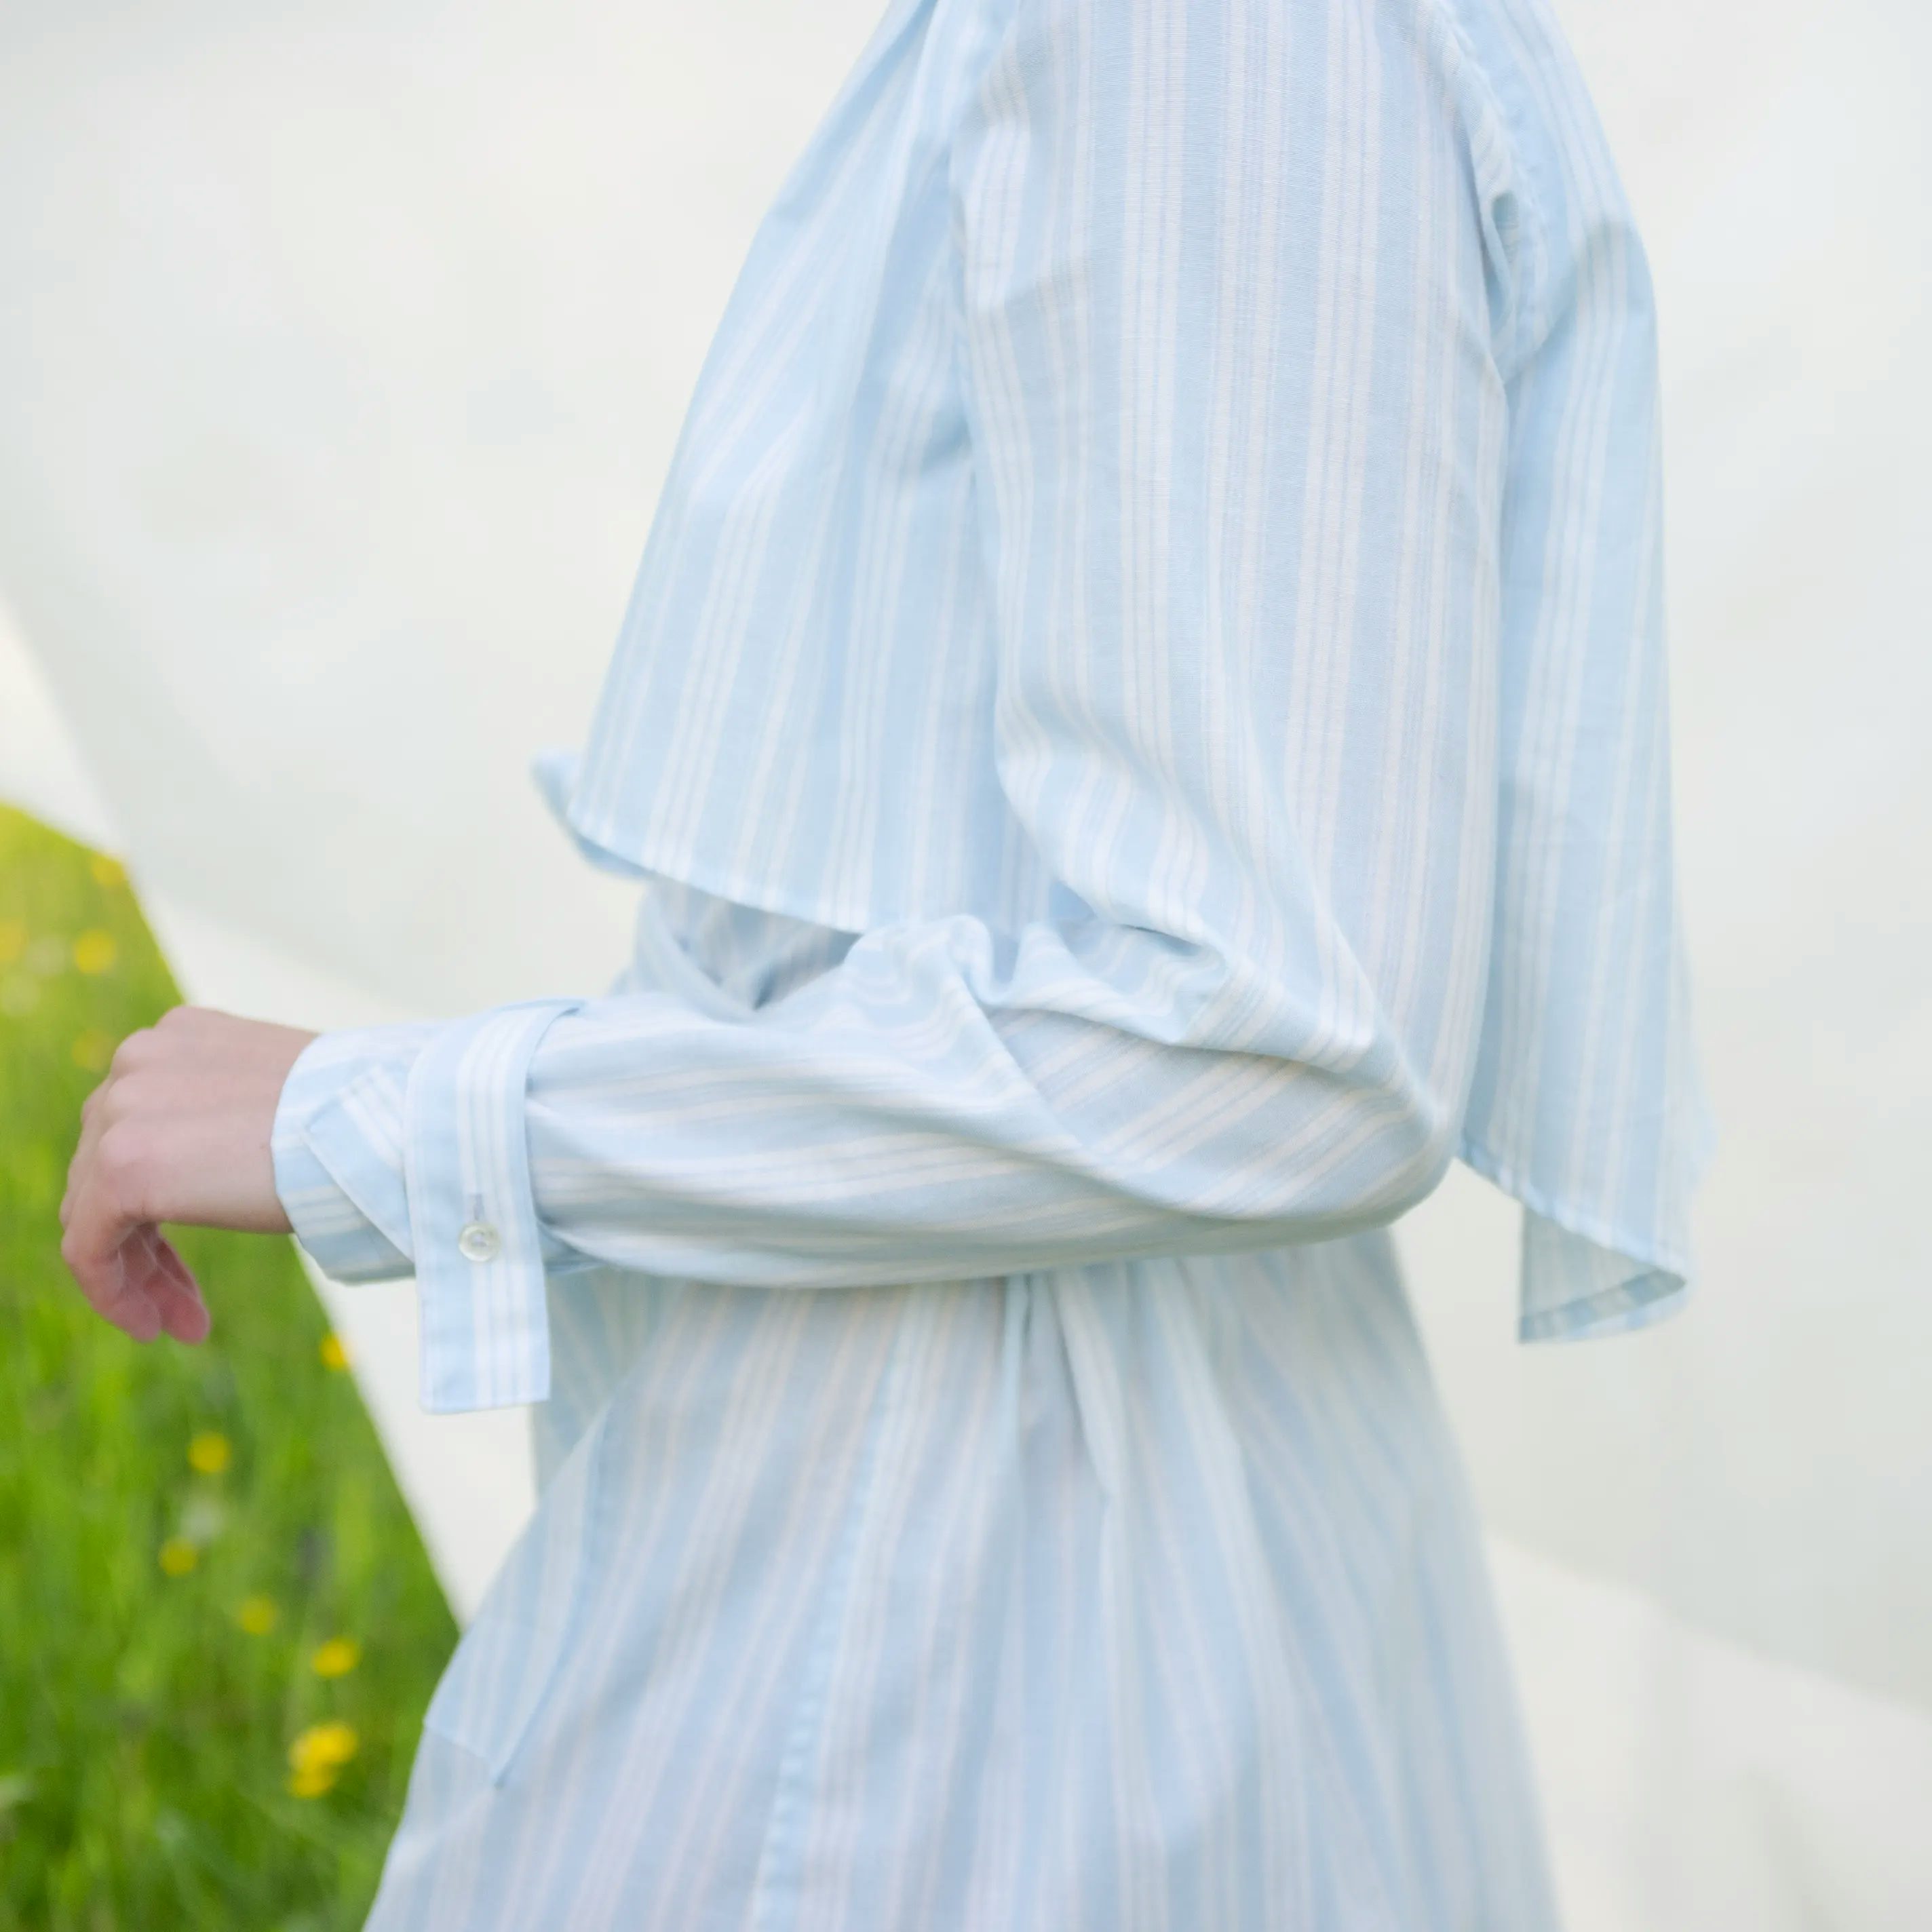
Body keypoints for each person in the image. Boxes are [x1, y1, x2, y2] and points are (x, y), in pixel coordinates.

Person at [59, 0, 1714, 1923]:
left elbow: (1288, 1051)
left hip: (973, 1595)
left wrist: (404, 1118)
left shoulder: (1202, 37)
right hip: (986, 1505)